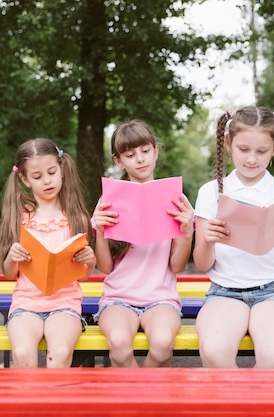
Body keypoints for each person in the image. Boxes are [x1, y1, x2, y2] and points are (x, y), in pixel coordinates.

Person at [193, 106, 274, 368]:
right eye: (244, 149)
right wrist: (208, 241)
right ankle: (237, 408)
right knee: (214, 351)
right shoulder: (210, 192)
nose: (252, 159)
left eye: (261, 151)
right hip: (224, 291)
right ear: (228, 143)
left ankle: (255, 408)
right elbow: (202, 264)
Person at [92, 120, 194, 367]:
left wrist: (188, 231)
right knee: (118, 343)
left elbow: (176, 266)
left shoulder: (175, 199)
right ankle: (135, 402)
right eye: (130, 154)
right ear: (119, 161)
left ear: (156, 151)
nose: (140, 159)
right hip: (118, 298)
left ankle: (142, 399)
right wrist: (99, 230)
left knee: (161, 344)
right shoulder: (109, 200)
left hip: (161, 299)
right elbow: (105, 267)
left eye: (145, 151)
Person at [0, 138, 96, 368]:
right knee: (22, 353)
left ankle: (53, 404)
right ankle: (30, 404)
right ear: (25, 179)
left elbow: (82, 275)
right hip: (26, 304)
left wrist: (89, 261)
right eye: (37, 176)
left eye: (51, 172)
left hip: (65, 304)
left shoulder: (75, 217)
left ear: (61, 169)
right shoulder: (20, 217)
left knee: (59, 354)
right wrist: (12, 257)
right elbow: (10, 274)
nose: (47, 181)